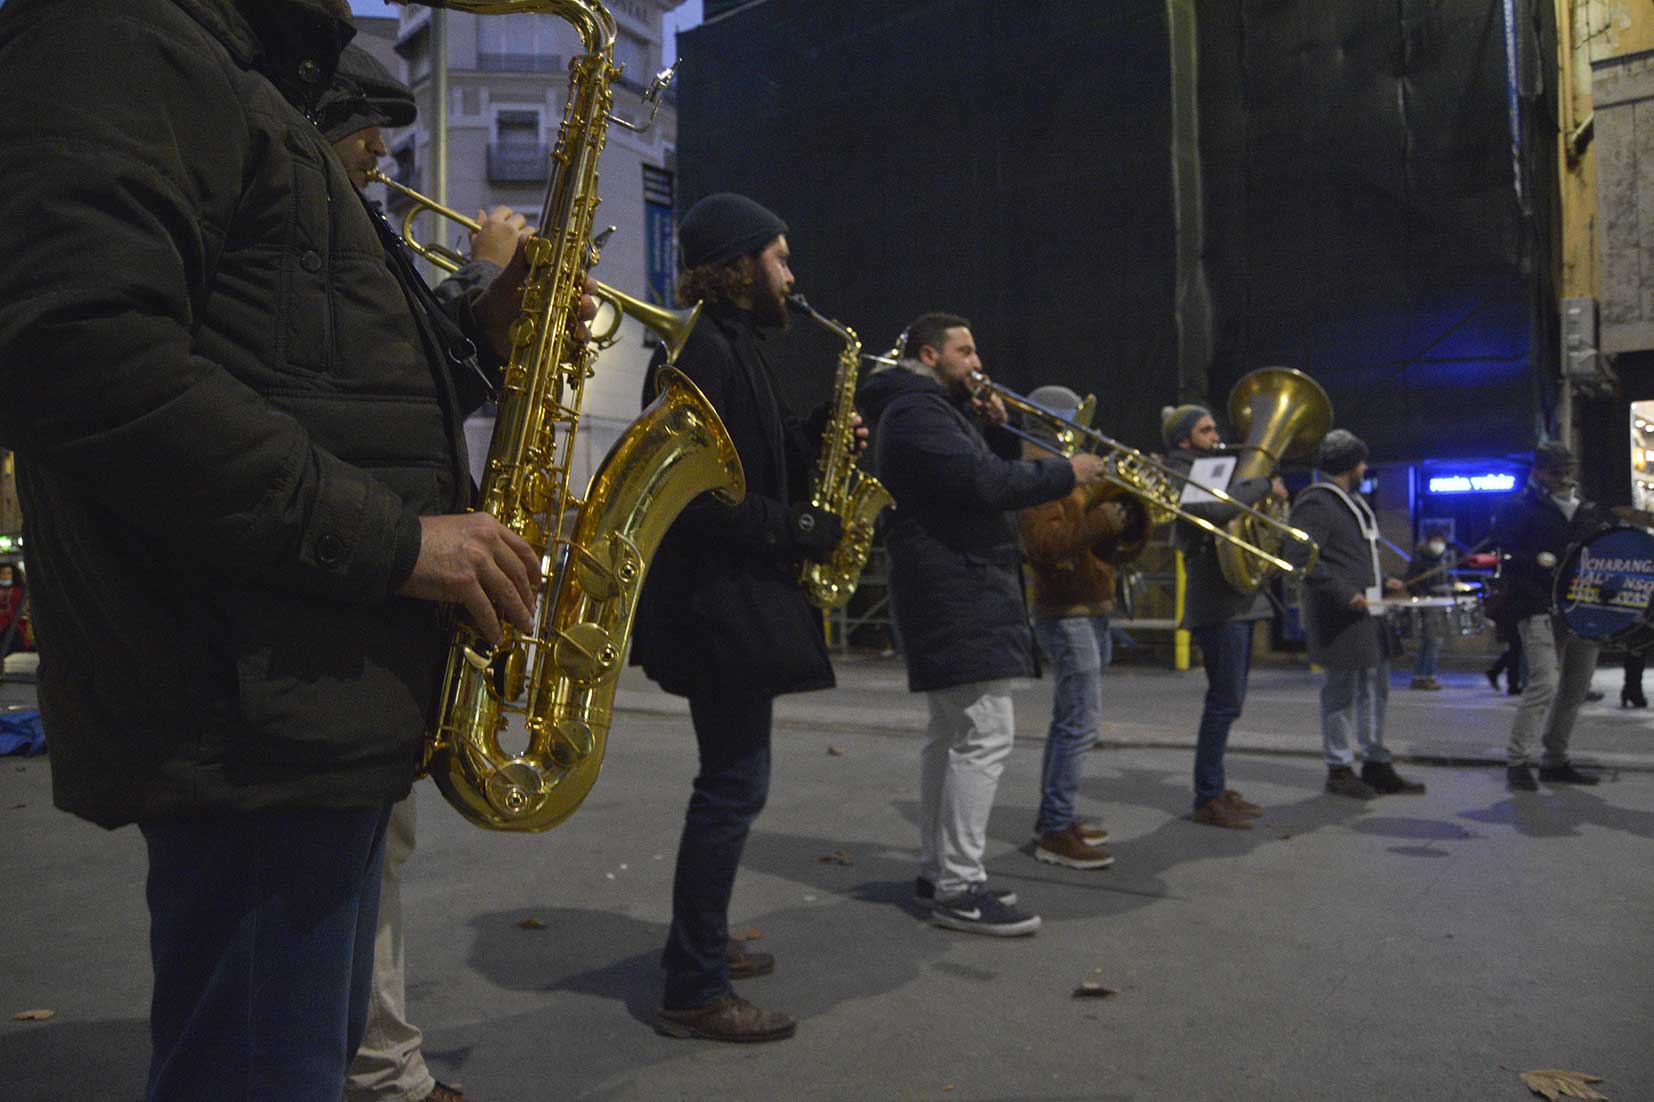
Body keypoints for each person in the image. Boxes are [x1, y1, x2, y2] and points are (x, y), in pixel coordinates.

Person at [0, 2, 571, 1097]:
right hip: (257, 696)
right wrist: (402, 542)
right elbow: (81, 355)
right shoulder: (118, 33)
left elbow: (307, 368)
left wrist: (486, 330)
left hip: (305, 689)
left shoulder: (227, 69)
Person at [318, 46, 528, 1102]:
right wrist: (483, 279)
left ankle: (381, 1060)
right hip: (340, 599)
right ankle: (380, 1068)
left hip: (376, 592)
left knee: (376, 853)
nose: (386, 152)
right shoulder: (314, 225)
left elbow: (425, 374)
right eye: (368, 126)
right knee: (338, 872)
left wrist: (491, 314)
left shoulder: (365, 229)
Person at [631, 193, 849, 1044]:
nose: (792, 276)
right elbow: (690, 501)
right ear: (741, 262)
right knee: (731, 787)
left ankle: (704, 946)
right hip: (714, 607)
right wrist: (793, 526)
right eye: (781, 258)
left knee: (730, 783)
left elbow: (753, 460)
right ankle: (694, 985)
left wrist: (822, 436)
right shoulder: (699, 353)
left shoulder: (735, 348)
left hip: (728, 604)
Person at [858, 314, 1107, 936]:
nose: (976, 361)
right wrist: (1064, 470)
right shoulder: (917, 413)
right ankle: (961, 889)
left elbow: (975, 475)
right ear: (928, 353)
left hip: (954, 585)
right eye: (964, 350)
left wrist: (999, 428)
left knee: (951, 733)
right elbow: (985, 484)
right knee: (985, 731)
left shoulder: (935, 410)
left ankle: (937, 871)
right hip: (955, 587)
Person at [1015, 385, 1141, 870]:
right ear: (1053, 420)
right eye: (1071, 418)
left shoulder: (1064, 468)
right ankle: (1055, 829)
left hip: (1090, 603)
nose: (1080, 427)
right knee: (1078, 722)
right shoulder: (1038, 471)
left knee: (1073, 720)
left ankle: (1057, 818)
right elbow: (1044, 544)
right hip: (1066, 611)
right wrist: (1103, 521)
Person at [1160, 404, 1282, 829]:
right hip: (1218, 605)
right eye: (1205, 429)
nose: (1216, 435)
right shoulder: (1184, 471)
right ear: (1183, 439)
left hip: (1236, 601)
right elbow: (1214, 513)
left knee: (1230, 703)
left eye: (1214, 428)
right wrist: (1261, 485)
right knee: (1223, 702)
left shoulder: (1214, 469)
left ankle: (1216, 786)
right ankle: (1207, 796)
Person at [1286, 430, 1426, 798]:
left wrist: (1384, 582)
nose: (1365, 467)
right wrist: (1345, 593)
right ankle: (1339, 768)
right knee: (1340, 693)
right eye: (1361, 462)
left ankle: (1376, 763)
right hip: (1340, 615)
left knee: (1375, 688)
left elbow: (1350, 558)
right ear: (1350, 465)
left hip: (1369, 612)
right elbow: (1299, 557)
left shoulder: (1349, 501)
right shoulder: (1317, 502)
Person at [1489, 442, 1610, 790]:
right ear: (1538, 472)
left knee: (1575, 687)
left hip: (1583, 608)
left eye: (1569, 471)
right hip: (1539, 604)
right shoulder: (1519, 508)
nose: (1565, 478)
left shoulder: (1586, 510)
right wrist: (1543, 563)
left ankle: (1555, 758)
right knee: (1544, 682)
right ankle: (1518, 761)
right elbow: (1508, 555)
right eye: (1557, 472)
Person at [1404, 523, 1460, 691]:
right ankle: (1427, 676)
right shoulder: (1420, 558)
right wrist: (1422, 595)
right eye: (1436, 540)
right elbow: (1411, 581)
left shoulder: (1443, 558)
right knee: (1433, 640)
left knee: (1430, 642)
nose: (1439, 543)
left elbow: (1448, 578)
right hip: (1428, 603)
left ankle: (1420, 676)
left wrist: (1452, 583)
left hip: (1440, 602)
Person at [0, 562, 25, 656]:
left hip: (13, 627)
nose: (5, 576)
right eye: (1, 573)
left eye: (8, 573)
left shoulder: (18, 591)